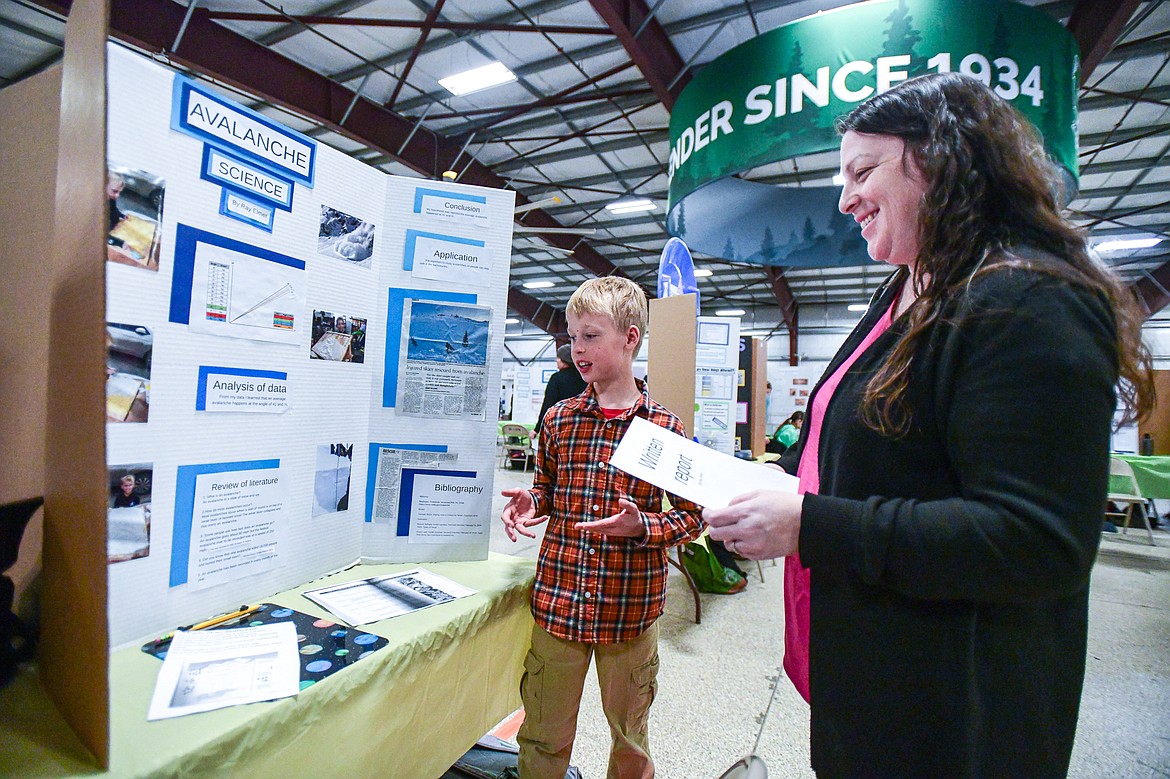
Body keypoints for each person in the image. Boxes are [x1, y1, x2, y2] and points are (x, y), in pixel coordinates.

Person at [704, 72, 1152, 778]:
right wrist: (781, 480)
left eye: (861, 171)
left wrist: (809, 523)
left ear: (940, 159)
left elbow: (1036, 540)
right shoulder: (913, 283)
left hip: (955, 719)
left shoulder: (1023, 300)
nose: (845, 197)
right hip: (874, 683)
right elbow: (872, 442)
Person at [499, 276, 704, 779]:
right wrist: (532, 500)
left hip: (628, 612)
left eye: (590, 335)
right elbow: (548, 487)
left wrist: (643, 527)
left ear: (630, 338)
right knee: (543, 736)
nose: (577, 349)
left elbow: (692, 515)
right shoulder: (560, 420)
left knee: (630, 741)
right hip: (560, 606)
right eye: (573, 336)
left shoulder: (664, 429)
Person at [533, 342, 587, 436]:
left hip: (561, 426)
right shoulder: (585, 378)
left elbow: (548, 405)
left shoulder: (557, 378)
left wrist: (537, 429)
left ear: (565, 360)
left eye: (559, 358)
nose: (556, 360)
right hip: (582, 427)